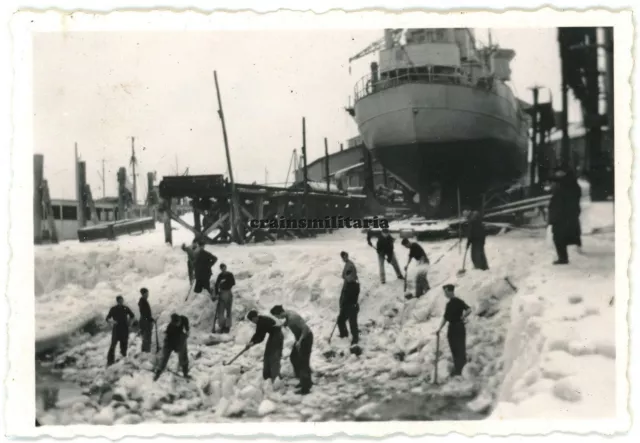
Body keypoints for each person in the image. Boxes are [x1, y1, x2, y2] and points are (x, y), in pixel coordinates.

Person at [270, 305, 313, 395]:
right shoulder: (288, 314)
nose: (278, 318)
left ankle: (305, 388)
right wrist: (284, 324)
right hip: (299, 339)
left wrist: (300, 341)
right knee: (294, 357)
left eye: (277, 316)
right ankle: (302, 379)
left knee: (303, 362)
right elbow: (288, 321)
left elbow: (305, 328)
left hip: (305, 338)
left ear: (280, 313)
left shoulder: (294, 317)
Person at [435, 284, 472, 377]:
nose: (445, 294)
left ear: (451, 291)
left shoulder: (451, 303)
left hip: (454, 327)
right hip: (460, 326)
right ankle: (460, 369)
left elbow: (445, 318)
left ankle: (459, 370)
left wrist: (439, 329)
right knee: (460, 347)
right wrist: (463, 316)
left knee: (455, 348)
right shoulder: (459, 301)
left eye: (446, 292)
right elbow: (469, 310)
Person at [548, 167, 582, 265]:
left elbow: (560, 201)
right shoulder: (569, 184)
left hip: (562, 215)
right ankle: (563, 257)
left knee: (559, 237)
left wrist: (554, 217)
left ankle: (563, 258)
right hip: (566, 214)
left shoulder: (565, 185)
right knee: (560, 237)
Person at [245, 310, 284, 383]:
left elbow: (261, 338)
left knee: (274, 356)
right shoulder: (259, 321)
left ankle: (276, 378)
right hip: (272, 335)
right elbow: (257, 334)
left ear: (256, 317)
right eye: (251, 320)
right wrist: (250, 342)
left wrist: (252, 343)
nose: (253, 321)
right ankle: (267, 376)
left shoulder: (262, 322)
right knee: (267, 355)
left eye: (253, 319)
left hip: (277, 335)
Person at [154, 313, 190, 380]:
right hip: (169, 342)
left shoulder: (184, 319)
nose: (177, 325)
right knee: (164, 357)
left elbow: (187, 330)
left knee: (183, 355)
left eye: (178, 323)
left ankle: (185, 373)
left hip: (180, 338)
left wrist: (187, 332)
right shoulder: (170, 328)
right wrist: (175, 348)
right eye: (175, 324)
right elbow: (169, 340)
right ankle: (158, 373)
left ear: (179, 319)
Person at [105, 296, 135, 366]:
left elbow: (132, 316)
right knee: (113, 345)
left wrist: (130, 323)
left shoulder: (126, 308)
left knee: (124, 345)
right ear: (117, 301)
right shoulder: (113, 309)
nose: (121, 302)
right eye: (120, 301)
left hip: (124, 329)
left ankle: (123, 359)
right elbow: (107, 318)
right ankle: (110, 361)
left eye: (122, 300)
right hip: (116, 329)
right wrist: (112, 322)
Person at [338, 251, 360, 345]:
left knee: (352, 322)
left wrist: (344, 303)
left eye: (349, 275)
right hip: (346, 304)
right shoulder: (347, 282)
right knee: (340, 320)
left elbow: (351, 297)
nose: (348, 277)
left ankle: (355, 338)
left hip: (351, 305)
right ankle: (344, 335)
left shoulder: (354, 285)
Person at [214, 263, 236, 334]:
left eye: (224, 267)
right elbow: (216, 285)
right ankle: (222, 326)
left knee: (228, 310)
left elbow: (233, 283)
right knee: (221, 311)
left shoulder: (230, 274)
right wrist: (217, 293)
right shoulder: (220, 276)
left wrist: (225, 282)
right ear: (220, 269)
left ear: (226, 267)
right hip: (222, 293)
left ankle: (228, 326)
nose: (223, 269)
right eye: (222, 268)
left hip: (228, 292)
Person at [137, 287, 155, 353]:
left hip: (145, 320)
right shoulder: (142, 301)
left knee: (146, 337)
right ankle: (146, 352)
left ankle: (145, 351)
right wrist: (150, 319)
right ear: (143, 294)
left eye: (148, 293)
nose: (148, 295)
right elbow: (144, 312)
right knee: (146, 337)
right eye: (147, 293)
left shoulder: (143, 301)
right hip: (145, 321)